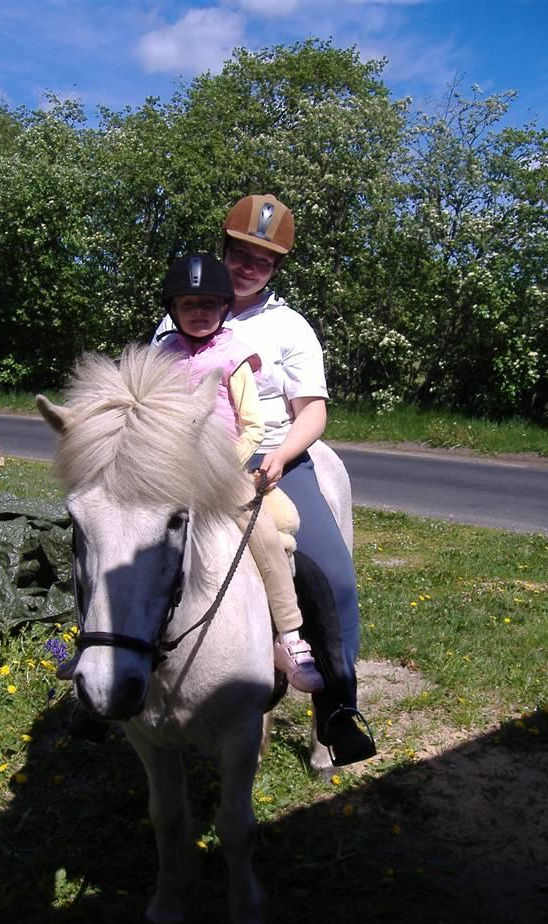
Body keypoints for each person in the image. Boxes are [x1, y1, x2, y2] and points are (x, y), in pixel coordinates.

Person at [154, 195, 375, 766]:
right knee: (113, 541)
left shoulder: (288, 326)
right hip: (184, 461)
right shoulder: (183, 312)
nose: (251, 267)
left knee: (333, 574)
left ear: (277, 269)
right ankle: (107, 673)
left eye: (265, 261)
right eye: (242, 254)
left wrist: (277, 455)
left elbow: (313, 411)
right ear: (224, 251)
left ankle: (338, 710)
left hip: (272, 459)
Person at [158, 253, 323, 693]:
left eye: (208, 305)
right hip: (167, 469)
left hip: (221, 469)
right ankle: (97, 641)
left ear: (224, 309)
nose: (198, 314)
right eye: (188, 305)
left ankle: (290, 636)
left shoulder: (234, 357)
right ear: (173, 310)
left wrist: (221, 467)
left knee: (263, 533)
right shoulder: (161, 355)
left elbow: (253, 425)